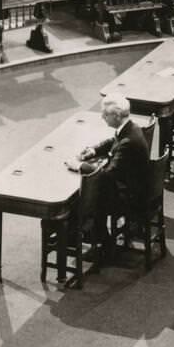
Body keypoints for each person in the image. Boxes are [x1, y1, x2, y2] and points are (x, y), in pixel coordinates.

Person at [67, 93, 151, 262]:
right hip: (134, 187)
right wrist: (93, 151)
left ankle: (101, 242)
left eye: (105, 114)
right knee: (91, 193)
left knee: (86, 197)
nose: (102, 117)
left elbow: (107, 175)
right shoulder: (131, 128)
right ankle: (84, 234)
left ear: (117, 116)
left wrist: (79, 166)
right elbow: (113, 141)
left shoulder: (128, 141)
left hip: (130, 197)